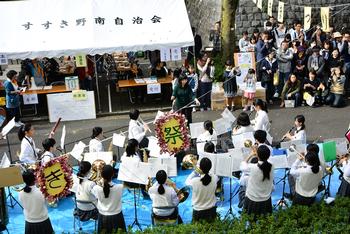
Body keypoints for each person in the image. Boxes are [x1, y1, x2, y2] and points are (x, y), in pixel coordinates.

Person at [240, 145, 274, 217]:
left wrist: (251, 154)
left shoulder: (252, 167)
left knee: (252, 220)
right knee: (265, 220)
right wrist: (258, 153)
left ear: (257, 156)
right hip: (266, 199)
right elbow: (267, 159)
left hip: (253, 200)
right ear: (268, 156)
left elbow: (242, 165)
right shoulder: (272, 165)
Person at [91, 165, 126, 233]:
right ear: (113, 175)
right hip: (117, 216)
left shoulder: (96, 188)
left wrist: (100, 182)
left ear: (101, 175)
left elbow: (96, 195)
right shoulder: (120, 187)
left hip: (103, 216)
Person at [18, 170, 54, 234]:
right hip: (43, 221)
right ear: (35, 179)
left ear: (23, 180)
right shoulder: (41, 192)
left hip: (29, 222)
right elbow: (49, 203)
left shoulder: (20, 193)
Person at [185, 157, 218, 222]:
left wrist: (195, 172)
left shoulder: (194, 181)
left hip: (198, 211)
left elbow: (186, 182)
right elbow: (210, 174)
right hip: (211, 210)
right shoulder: (215, 178)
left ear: (200, 168)